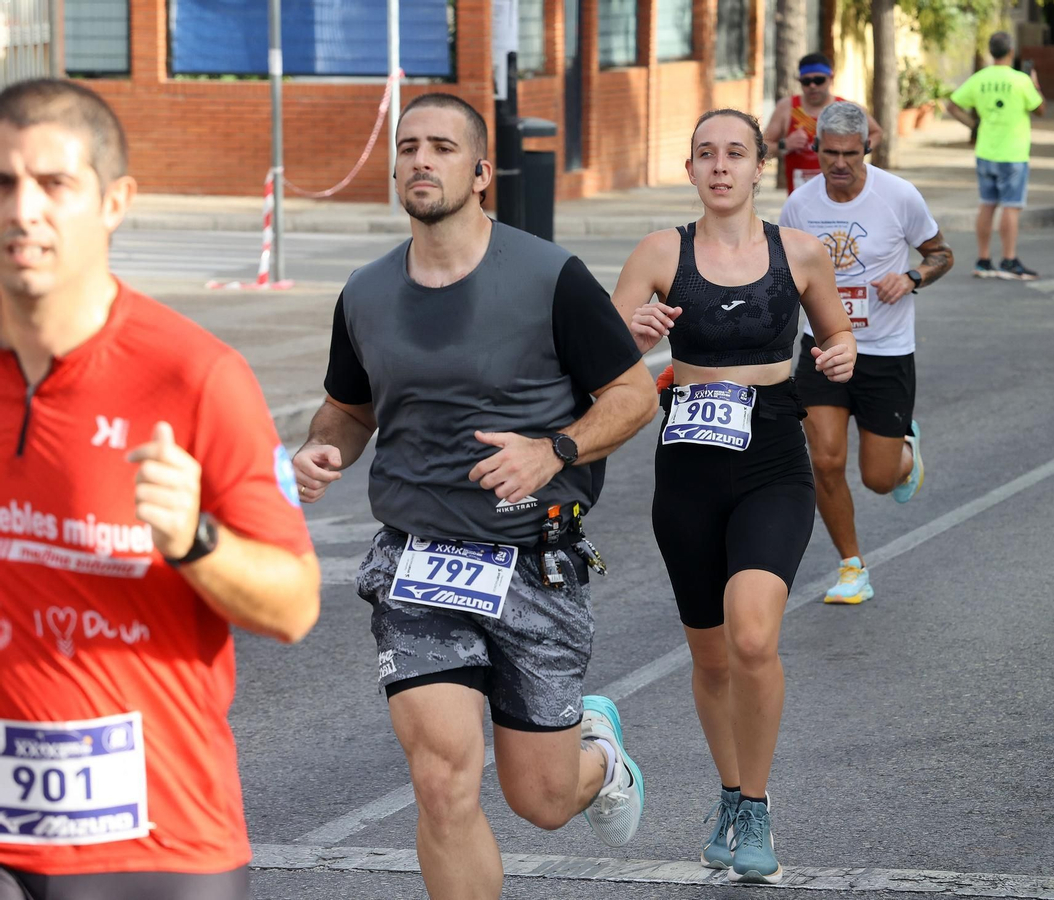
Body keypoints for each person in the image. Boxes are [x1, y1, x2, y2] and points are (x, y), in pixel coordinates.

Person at [293, 93, 658, 900]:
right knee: (443, 784)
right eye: (409, 147)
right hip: (418, 563)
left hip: (534, 563)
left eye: (443, 148)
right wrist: (325, 448)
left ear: (483, 171)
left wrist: (551, 451)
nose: (422, 160)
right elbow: (351, 410)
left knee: (542, 800)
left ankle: (600, 761)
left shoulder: (550, 276)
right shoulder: (365, 291)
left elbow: (634, 396)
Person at [0, 80, 320, 899]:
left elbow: (293, 606)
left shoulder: (192, 375)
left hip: (148, 834)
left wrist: (193, 541)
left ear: (115, 201)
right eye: (4, 185)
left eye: (53, 184)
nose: (23, 210)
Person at [612, 108, 857, 884]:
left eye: (736, 154)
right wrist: (636, 338)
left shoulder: (802, 254)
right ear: (689, 169)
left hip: (772, 454)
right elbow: (603, 361)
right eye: (706, 155)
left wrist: (841, 354)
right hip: (686, 461)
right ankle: (728, 790)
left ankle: (755, 804)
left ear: (761, 169)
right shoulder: (659, 252)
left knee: (754, 637)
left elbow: (836, 337)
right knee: (711, 656)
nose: (720, 167)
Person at [779, 101, 951, 604]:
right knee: (825, 461)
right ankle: (852, 566)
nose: (839, 164)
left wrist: (912, 276)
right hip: (825, 348)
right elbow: (786, 273)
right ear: (817, 149)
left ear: (866, 150)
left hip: (885, 352)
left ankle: (904, 452)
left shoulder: (898, 197)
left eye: (850, 154)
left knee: (878, 479)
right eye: (830, 153)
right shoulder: (800, 203)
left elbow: (941, 253)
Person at [945, 32, 1045, 280]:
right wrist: (1036, 85)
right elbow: (1040, 108)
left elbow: (951, 105)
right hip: (1013, 153)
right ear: (1011, 51)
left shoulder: (980, 79)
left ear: (991, 52)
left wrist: (973, 125)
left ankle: (983, 259)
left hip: (986, 150)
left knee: (987, 204)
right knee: (1011, 207)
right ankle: (1009, 259)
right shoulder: (1020, 80)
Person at [762, 54, 884, 194]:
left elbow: (876, 133)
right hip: (802, 193)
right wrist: (785, 144)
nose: (813, 86)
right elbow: (761, 149)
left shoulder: (846, 107)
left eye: (819, 80)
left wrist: (860, 149)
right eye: (806, 81)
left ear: (831, 78)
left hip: (843, 190)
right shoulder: (787, 107)